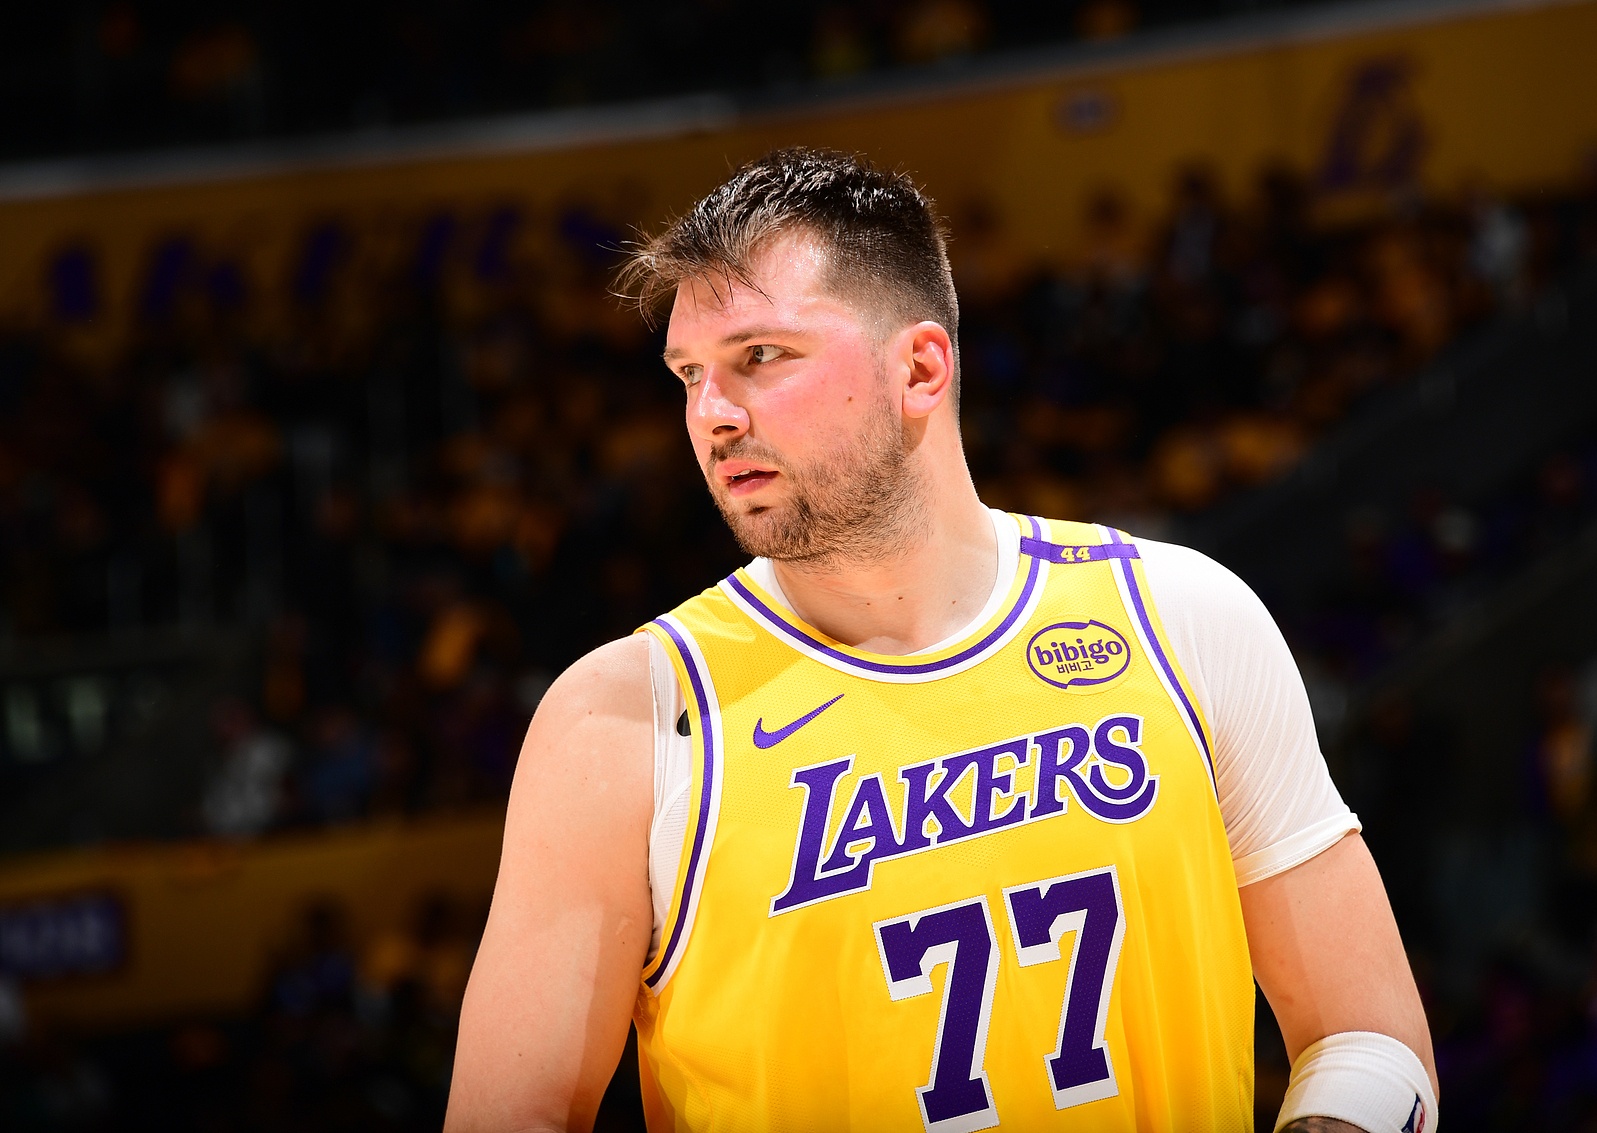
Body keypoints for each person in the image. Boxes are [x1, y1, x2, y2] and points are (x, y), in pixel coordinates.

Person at [446, 149, 1437, 1133]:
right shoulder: (623, 720)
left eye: (760, 357)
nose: (711, 414)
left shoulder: (1181, 617)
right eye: (690, 373)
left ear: (919, 367)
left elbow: (1369, 1039)